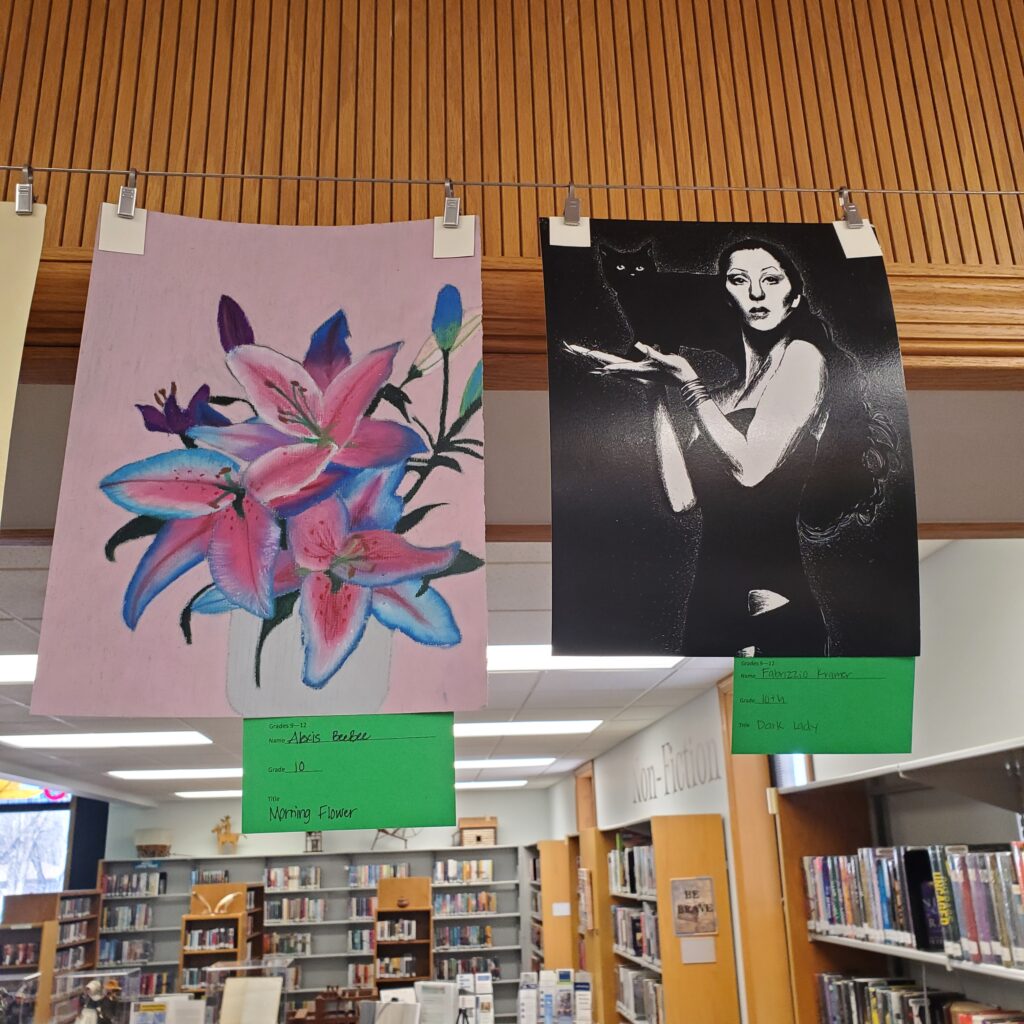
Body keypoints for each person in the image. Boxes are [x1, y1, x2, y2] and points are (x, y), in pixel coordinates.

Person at [571, 238, 898, 656]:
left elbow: (752, 466)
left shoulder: (803, 358)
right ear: (726, 296)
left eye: (772, 280)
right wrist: (656, 391)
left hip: (775, 607)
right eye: (739, 281)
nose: (757, 293)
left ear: (793, 297)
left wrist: (689, 386)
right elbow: (681, 497)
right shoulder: (722, 396)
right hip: (707, 605)